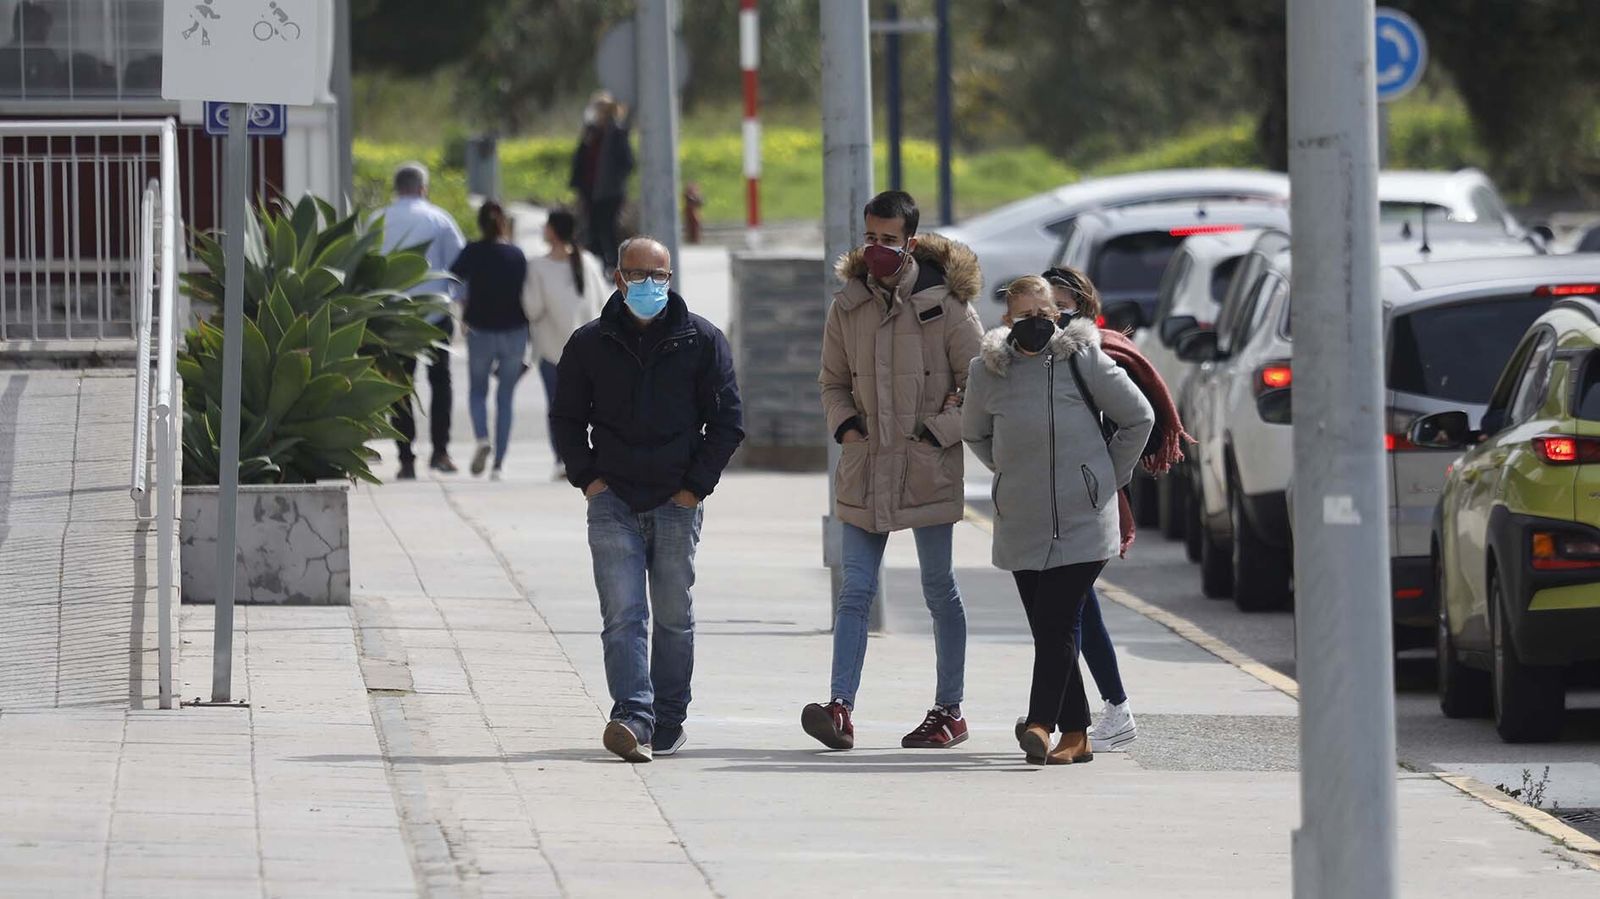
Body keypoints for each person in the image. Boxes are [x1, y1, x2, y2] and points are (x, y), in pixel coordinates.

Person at [551, 236, 744, 763]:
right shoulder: (589, 343)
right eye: (638, 275)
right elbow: (567, 418)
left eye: (658, 275)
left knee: (673, 615)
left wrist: (693, 488)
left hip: (676, 501)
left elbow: (727, 422)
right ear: (618, 278)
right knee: (623, 613)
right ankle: (633, 717)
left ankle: (669, 719)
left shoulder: (702, 341)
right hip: (612, 498)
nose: (649, 285)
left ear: (671, 277)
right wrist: (589, 479)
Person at [805, 190, 984, 751]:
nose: (877, 249)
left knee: (938, 588)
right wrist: (847, 428)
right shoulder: (847, 306)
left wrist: (939, 431)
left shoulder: (946, 305)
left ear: (909, 241)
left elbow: (980, 382)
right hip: (865, 465)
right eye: (870, 237)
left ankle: (949, 710)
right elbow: (832, 381)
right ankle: (840, 708)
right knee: (854, 590)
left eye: (889, 239)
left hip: (926, 464)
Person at [963, 275, 1154, 765]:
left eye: (1045, 317)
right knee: (1050, 628)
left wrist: (1104, 476)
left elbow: (1139, 418)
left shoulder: (1082, 359)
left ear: (1059, 317)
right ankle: (1078, 734)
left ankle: (1038, 722)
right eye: (1025, 318)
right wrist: (1009, 473)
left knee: (1057, 622)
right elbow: (976, 434)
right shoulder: (988, 371)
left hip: (1083, 516)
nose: (1036, 326)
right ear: (1007, 320)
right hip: (1021, 515)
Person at [1028, 265, 1192, 751]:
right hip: (1049, 501)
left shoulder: (1092, 355)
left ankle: (1086, 713)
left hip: (1086, 501)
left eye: (1059, 307)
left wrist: (1106, 478)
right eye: (1041, 308)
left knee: (1068, 610)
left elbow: (1135, 420)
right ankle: (1089, 710)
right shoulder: (1034, 355)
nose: (1049, 317)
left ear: (1079, 306)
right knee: (1075, 608)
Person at [380, 162, 467, 479]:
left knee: (399, 386)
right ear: (423, 188)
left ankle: (405, 458)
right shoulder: (439, 219)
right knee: (440, 382)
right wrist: (463, 307)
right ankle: (440, 452)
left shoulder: (378, 220)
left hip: (391, 316)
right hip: (434, 314)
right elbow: (459, 266)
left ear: (396, 187)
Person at [523, 209, 606, 481]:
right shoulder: (589, 261)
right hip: (590, 350)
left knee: (558, 408)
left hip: (552, 350)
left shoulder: (538, 266)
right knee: (591, 405)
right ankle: (594, 455)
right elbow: (603, 302)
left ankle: (564, 459)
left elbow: (532, 308)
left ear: (553, 230)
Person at [451, 201, 529, 480]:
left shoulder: (473, 251)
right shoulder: (516, 255)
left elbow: (453, 276)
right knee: (506, 397)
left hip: (480, 329)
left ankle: (483, 437)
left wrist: (463, 302)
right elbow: (526, 292)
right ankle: (498, 464)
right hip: (515, 330)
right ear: (504, 223)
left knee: (477, 392)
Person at [568, 93, 635, 271]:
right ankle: (597, 264)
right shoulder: (590, 132)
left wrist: (615, 180)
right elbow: (580, 159)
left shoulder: (617, 133)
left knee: (609, 227)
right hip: (590, 189)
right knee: (592, 228)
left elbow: (627, 162)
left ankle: (614, 264)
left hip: (610, 191)